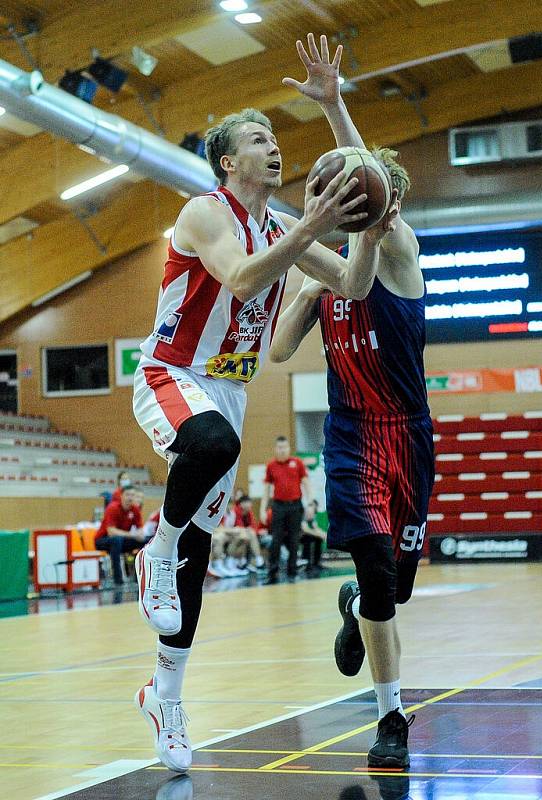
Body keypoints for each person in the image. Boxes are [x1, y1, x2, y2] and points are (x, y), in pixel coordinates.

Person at [131, 98, 393, 772]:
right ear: (228, 160)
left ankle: (166, 695)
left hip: (228, 389)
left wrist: (367, 230)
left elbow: (356, 287)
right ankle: (152, 551)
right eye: (258, 138)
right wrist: (310, 227)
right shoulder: (203, 212)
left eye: (276, 137)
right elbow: (245, 278)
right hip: (173, 373)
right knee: (212, 449)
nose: (274, 146)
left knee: (197, 554)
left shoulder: (280, 224)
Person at [270, 34, 435, 769]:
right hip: (350, 437)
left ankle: (358, 610)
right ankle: (390, 716)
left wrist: (336, 106)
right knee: (374, 567)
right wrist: (277, 224)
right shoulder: (321, 271)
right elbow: (276, 352)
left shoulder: (397, 252)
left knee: (389, 591)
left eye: (371, 191)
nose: (371, 200)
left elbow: (361, 257)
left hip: (408, 436)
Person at [259, 436, 310, 583]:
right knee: (276, 539)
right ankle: (272, 573)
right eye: (279, 448)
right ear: (276, 449)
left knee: (294, 539)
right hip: (278, 506)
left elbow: (306, 483)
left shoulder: (297, 463)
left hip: (295, 505)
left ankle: (292, 572)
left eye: (285, 447)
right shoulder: (271, 466)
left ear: (289, 448)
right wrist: (263, 509)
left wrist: (310, 503)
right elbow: (266, 489)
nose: (282, 450)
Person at [95, 485, 145, 585]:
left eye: (132, 495)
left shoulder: (135, 510)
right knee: (116, 540)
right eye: (127, 494)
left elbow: (141, 532)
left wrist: (139, 536)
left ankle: (138, 579)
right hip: (102, 540)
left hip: (121, 540)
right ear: (121, 496)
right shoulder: (112, 508)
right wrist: (133, 535)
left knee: (144, 542)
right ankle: (118, 581)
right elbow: (111, 532)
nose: (130, 497)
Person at [301, 499, 325, 574]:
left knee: (318, 539)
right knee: (308, 538)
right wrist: (319, 534)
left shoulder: (312, 515)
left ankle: (316, 563)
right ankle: (306, 564)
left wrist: (323, 534)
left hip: (304, 536)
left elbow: (316, 527)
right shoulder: (302, 514)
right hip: (293, 537)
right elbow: (306, 529)